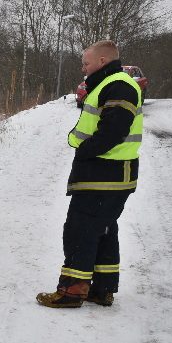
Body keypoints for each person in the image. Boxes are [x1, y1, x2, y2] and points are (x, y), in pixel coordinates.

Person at [37, 40, 143, 308]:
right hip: (110, 175)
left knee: (80, 230)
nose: (83, 68)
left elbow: (113, 130)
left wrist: (85, 150)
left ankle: (71, 291)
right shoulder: (111, 85)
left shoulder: (118, 85)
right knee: (103, 229)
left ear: (103, 61)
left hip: (104, 174)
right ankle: (102, 288)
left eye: (86, 63)